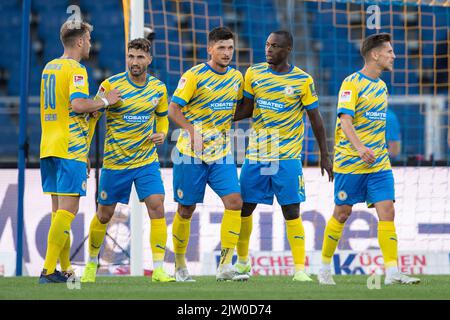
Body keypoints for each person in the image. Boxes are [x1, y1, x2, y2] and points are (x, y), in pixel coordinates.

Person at [318, 33, 420, 285]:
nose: (393, 56)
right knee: (342, 213)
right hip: (350, 162)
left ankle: (392, 272)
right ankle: (323, 267)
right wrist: (360, 147)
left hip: (379, 163)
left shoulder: (382, 87)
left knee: (388, 210)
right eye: (389, 52)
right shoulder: (351, 83)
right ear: (375, 55)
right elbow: (345, 121)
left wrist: (373, 149)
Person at [233, 30, 333, 281]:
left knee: (291, 210)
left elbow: (316, 119)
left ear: (287, 50)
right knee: (244, 208)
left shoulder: (302, 80)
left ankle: (299, 269)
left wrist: (325, 154)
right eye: (266, 44)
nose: (268, 49)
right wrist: (217, 117)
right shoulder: (253, 73)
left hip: (287, 156)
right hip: (255, 155)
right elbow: (246, 107)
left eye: (274, 46)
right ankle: (243, 262)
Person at [80, 38, 175, 283]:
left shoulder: (158, 88)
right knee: (104, 215)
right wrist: (85, 153)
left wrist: (162, 133)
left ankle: (158, 269)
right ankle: (91, 264)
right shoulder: (111, 85)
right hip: (116, 163)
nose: (135, 62)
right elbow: (91, 118)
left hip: (146, 162)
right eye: (131, 57)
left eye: (140, 57)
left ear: (149, 60)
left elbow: (163, 118)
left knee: (157, 206)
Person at [39, 21, 121, 283]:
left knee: (58, 213)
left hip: (49, 145)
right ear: (78, 42)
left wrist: (93, 108)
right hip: (68, 147)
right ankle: (48, 269)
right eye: (87, 40)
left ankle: (65, 270)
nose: (89, 44)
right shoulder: (76, 69)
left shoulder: (49, 67)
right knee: (68, 211)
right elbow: (77, 104)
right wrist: (106, 101)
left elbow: (67, 106)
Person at [168, 27, 247, 282]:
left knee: (235, 202)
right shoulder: (194, 75)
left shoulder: (236, 78)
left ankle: (225, 266)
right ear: (210, 49)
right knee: (186, 209)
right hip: (189, 154)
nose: (227, 53)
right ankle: (180, 265)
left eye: (230, 48)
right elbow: (173, 110)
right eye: (221, 48)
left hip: (221, 153)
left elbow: (235, 109)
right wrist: (192, 131)